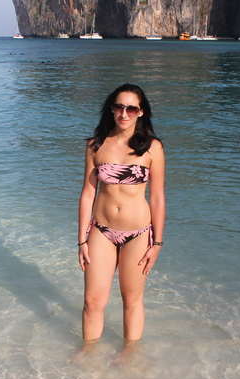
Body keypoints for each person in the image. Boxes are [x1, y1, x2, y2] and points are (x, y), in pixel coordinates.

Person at [77, 83, 165, 358]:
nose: (124, 113)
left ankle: (129, 356)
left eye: (131, 108)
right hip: (101, 232)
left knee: (131, 300)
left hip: (138, 234)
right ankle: (88, 354)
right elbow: (88, 194)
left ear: (141, 112)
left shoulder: (152, 148)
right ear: (111, 109)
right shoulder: (95, 145)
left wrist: (157, 243)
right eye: (119, 107)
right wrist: (81, 240)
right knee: (92, 301)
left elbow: (157, 198)